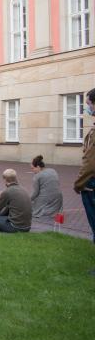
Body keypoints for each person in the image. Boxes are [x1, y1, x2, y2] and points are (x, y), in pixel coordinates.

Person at [74, 88, 95, 250]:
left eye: (89, 104)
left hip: (91, 183)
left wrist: (79, 183)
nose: (88, 108)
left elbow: (90, 162)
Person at [30, 155, 63, 221]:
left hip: (47, 199)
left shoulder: (37, 176)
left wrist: (27, 200)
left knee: (30, 206)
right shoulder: (53, 170)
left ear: (38, 167)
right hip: (58, 199)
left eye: (33, 168)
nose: (32, 170)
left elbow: (35, 193)